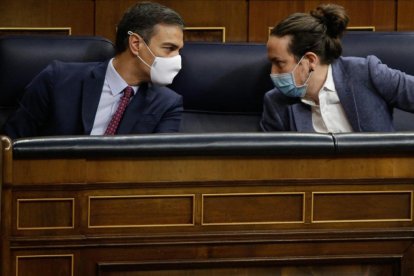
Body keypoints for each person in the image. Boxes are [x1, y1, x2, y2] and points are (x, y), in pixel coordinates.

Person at [3, 1, 184, 139]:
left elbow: (159, 167)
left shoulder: (167, 103)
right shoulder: (57, 79)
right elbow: (10, 147)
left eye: (179, 50)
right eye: (169, 48)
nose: (177, 59)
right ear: (136, 44)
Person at [260, 3, 414, 133]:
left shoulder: (367, 73)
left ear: (310, 60)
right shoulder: (275, 103)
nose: (272, 73)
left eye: (279, 63)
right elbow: (273, 164)